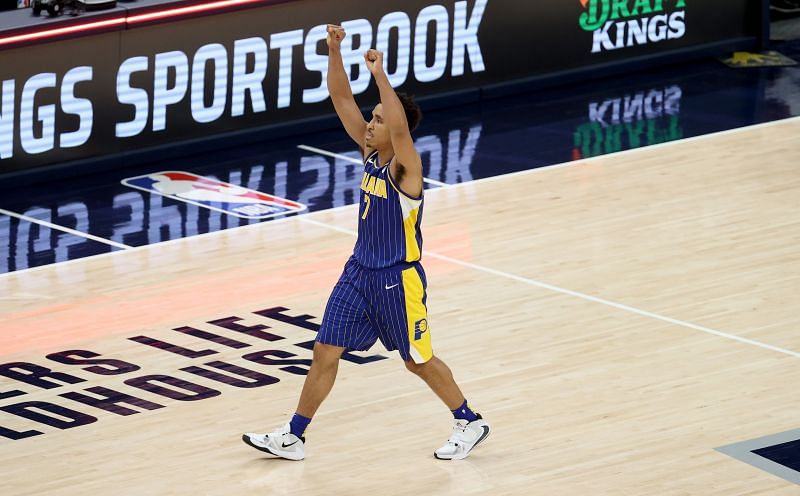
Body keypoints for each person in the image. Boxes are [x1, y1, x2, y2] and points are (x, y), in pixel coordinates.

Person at [242, 24, 491, 461]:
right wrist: (333, 52)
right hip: (359, 272)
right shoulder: (370, 154)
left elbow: (396, 125)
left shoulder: (405, 167)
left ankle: (469, 420)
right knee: (324, 351)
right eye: (371, 118)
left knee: (418, 362)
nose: (369, 124)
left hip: (398, 279)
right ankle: (294, 435)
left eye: (377, 119)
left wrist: (381, 75)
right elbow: (340, 99)